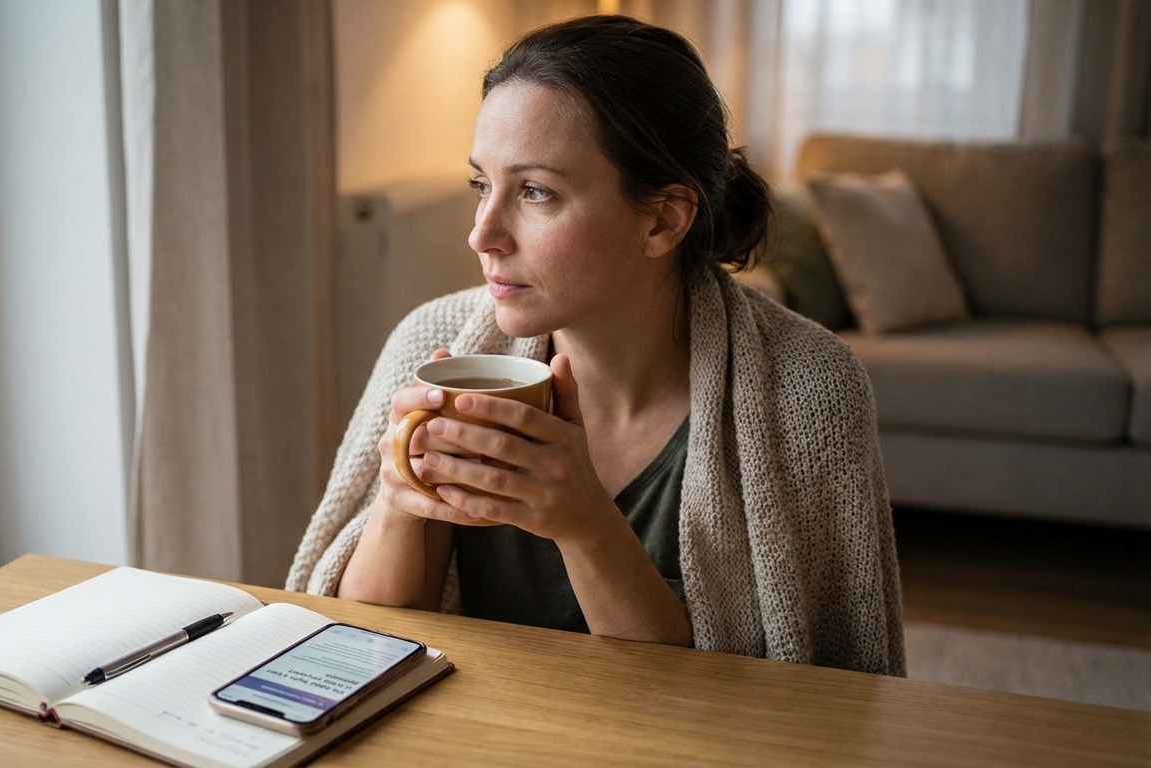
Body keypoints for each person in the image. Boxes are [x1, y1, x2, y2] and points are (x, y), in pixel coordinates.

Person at [287, 15, 904, 675]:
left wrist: (583, 524)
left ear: (663, 218)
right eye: (481, 186)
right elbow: (363, 644)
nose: (483, 234)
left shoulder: (807, 391)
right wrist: (401, 497)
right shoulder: (434, 342)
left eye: (534, 192)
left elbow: (817, 702)